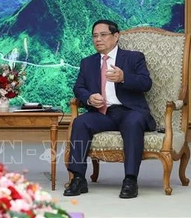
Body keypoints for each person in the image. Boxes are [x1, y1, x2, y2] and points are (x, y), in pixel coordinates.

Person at [64, 19, 156, 199]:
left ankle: (130, 179)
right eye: (95, 36)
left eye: (103, 35)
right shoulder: (87, 62)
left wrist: (124, 77)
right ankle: (78, 177)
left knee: (132, 122)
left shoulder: (133, 57)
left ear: (116, 36)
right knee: (80, 122)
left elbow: (146, 83)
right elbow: (79, 88)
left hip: (130, 111)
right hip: (103, 113)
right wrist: (89, 98)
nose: (98, 39)